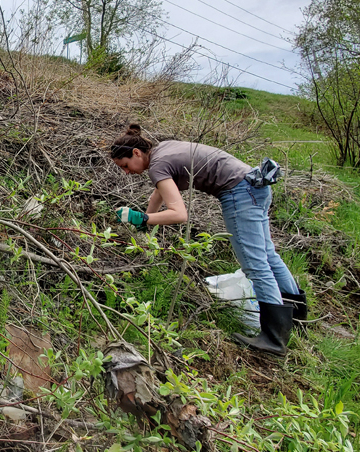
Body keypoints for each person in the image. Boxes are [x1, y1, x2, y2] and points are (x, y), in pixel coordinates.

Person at [110, 124, 307, 356]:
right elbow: (159, 193)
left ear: (136, 153)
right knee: (268, 256)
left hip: (238, 193)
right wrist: (145, 225)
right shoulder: (163, 149)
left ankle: (274, 338)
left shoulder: (158, 165)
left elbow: (179, 214)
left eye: (124, 166)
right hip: (255, 186)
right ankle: (298, 320)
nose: (126, 172)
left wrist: (141, 217)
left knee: (255, 265)